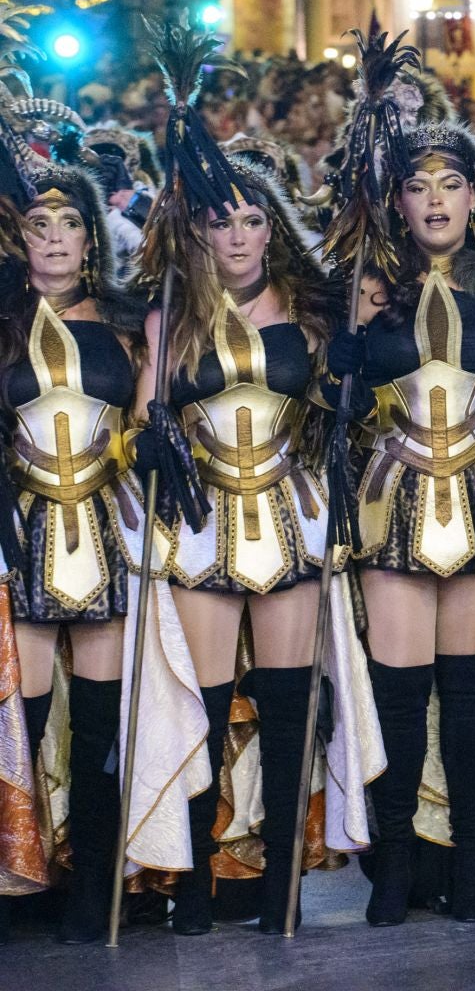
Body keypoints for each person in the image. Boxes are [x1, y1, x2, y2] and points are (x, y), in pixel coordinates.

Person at [133, 152, 375, 934]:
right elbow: (143, 417)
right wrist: (151, 436)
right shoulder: (168, 313)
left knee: (288, 708)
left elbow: (349, 407)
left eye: (252, 220)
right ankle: (194, 885)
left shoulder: (311, 308)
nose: (237, 236)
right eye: (219, 220)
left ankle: (284, 888)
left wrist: (351, 376)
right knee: (202, 711)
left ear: (272, 229)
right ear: (194, 231)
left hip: (291, 515)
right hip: (201, 524)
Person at [330, 93, 475, 926]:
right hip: (392, 500)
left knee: (468, 695)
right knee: (397, 693)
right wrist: (338, 374)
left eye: (450, 182)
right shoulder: (365, 290)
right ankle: (392, 866)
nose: (434, 199)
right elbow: (330, 412)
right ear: (397, 203)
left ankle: (474, 862)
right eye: (417, 187)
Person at [0, 141, 158, 945]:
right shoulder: (0, 321)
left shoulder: (133, 323)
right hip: (20, 535)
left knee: (100, 724)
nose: (54, 237)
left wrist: (148, 443)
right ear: (17, 235)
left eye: (68, 223)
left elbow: (142, 423)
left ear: (92, 237)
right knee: (18, 722)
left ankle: (97, 884)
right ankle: (22, 883)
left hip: (106, 530)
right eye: (38, 223)